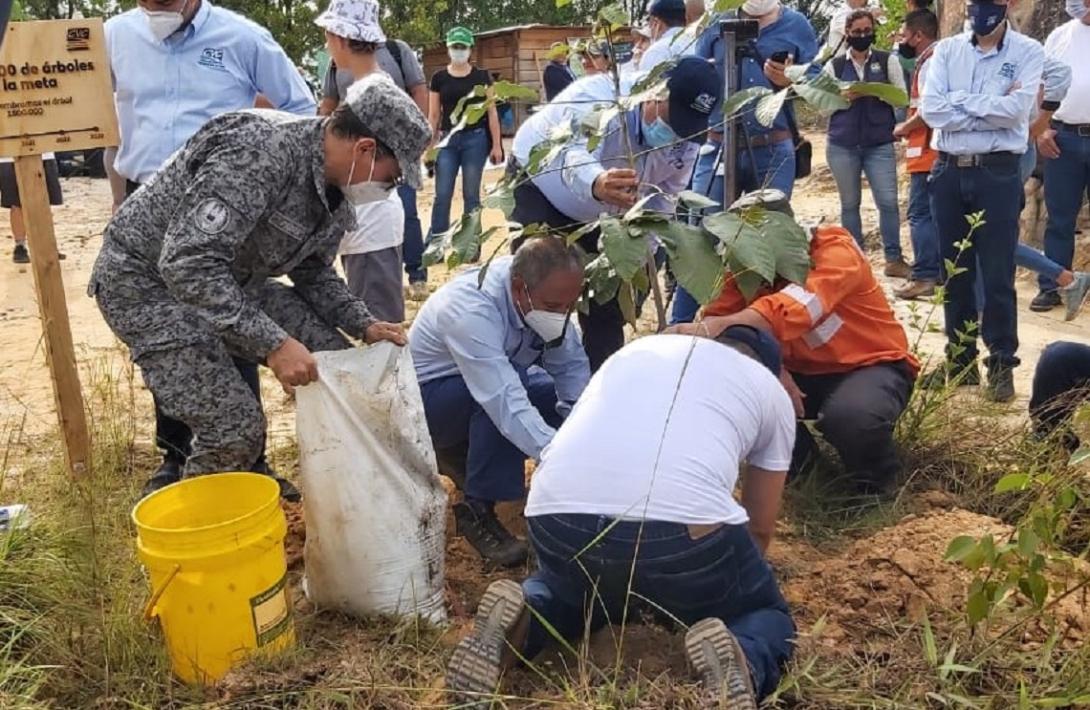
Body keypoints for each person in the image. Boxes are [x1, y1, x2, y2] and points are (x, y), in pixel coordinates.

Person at [90, 74, 429, 496]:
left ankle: (344, 491)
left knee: (337, 364)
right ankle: (196, 528)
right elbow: (187, 262)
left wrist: (363, 324)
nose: (387, 188)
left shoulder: (335, 188)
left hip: (226, 280)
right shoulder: (259, 153)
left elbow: (312, 271)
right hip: (144, 284)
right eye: (392, 177)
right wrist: (273, 344)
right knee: (235, 429)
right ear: (365, 149)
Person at [446, 328, 796, 708]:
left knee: (574, 595)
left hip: (556, 511)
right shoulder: (767, 387)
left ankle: (526, 614)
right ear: (770, 368)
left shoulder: (637, 351)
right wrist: (728, 587)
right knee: (766, 614)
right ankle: (743, 658)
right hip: (678, 534)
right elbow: (760, 526)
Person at [105, 0, 317, 497]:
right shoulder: (112, 38)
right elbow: (103, 123)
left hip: (224, 206)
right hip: (148, 204)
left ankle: (251, 459)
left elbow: (302, 111)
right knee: (168, 337)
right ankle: (175, 455)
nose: (154, 7)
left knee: (231, 321)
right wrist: (118, 202)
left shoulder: (244, 39)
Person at [672, 191, 919, 494]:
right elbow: (725, 328)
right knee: (730, 379)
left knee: (853, 418)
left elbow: (797, 306)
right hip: (796, 373)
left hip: (869, 365)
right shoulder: (743, 266)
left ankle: (878, 488)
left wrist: (715, 327)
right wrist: (770, 367)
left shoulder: (834, 249)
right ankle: (806, 479)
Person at [509, 57, 723, 371]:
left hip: (610, 216)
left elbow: (663, 201)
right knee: (543, 292)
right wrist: (595, 182)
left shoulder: (686, 141)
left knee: (606, 307)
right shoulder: (597, 99)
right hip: (541, 186)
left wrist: (641, 257)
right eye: (672, 120)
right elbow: (569, 152)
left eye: (686, 129)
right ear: (655, 92)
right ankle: (533, 379)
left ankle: (600, 383)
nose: (676, 135)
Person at [409, 238, 591, 567]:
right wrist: (558, 457)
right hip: (426, 406)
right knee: (514, 392)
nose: (562, 315)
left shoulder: (546, 296)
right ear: (519, 288)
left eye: (571, 305)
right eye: (553, 306)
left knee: (546, 391)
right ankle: (477, 510)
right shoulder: (469, 307)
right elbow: (502, 397)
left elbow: (571, 370)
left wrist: (584, 442)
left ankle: (466, 459)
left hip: (485, 386)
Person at [919, 0, 1044, 403]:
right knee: (954, 273)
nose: (980, 7)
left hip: (998, 172)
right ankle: (960, 361)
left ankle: (1002, 364)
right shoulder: (947, 51)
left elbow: (1015, 113)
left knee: (997, 274)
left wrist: (961, 102)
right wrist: (986, 105)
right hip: (948, 170)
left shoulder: (1028, 52)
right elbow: (932, 110)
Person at [671, 0, 818, 325]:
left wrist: (790, 81)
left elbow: (818, 84)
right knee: (699, 237)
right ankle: (677, 327)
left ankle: (755, 329)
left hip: (772, 151)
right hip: (718, 146)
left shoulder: (796, 26)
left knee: (769, 242)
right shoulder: (715, 22)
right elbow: (699, 78)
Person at [316, 2, 430, 302]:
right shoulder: (368, 88)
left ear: (339, 37)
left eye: (328, 37)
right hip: (365, 224)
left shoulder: (370, 95)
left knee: (380, 334)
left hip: (370, 225)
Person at [823, 9, 908, 277]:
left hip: (878, 143)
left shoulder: (886, 61)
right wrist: (844, 98)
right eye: (857, 32)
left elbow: (901, 98)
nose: (862, 36)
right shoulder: (834, 66)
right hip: (842, 144)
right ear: (847, 33)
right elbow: (822, 107)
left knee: (888, 202)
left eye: (866, 31)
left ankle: (893, 259)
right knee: (850, 204)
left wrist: (878, 92)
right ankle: (854, 261)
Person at [1030, 0, 1090, 313]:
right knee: (1059, 218)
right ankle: (1052, 285)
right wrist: (1041, 129)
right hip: (1062, 137)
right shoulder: (1059, 36)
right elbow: (1040, 84)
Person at [427, 27, 504, 255]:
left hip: (475, 140)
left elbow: (491, 112)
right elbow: (433, 115)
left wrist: (497, 144)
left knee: (471, 195)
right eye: (455, 47)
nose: (458, 51)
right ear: (449, 48)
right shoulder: (438, 78)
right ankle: (436, 248)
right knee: (442, 195)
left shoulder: (482, 77)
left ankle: (470, 248)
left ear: (470, 49)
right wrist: (430, 147)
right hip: (448, 141)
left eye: (462, 47)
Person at [893, 9, 941, 300]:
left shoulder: (930, 64)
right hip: (928, 151)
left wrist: (902, 127)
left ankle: (924, 274)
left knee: (921, 213)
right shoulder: (935, 60)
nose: (902, 40)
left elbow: (928, 110)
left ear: (918, 35)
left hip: (927, 152)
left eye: (905, 35)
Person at [1, 154, 63, 264]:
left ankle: (46, 245)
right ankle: (20, 246)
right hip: (11, 155)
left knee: (43, 203)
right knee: (16, 204)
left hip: (44, 154)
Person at [1029, 341, 1090, 448]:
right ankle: (1042, 442)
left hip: (1060, 356)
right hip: (1060, 362)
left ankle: (1045, 439)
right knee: (1048, 421)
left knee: (1047, 414)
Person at [639, 0, 694, 71]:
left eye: (648, 20)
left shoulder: (657, 51)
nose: (649, 27)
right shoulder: (700, 43)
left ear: (656, 23)